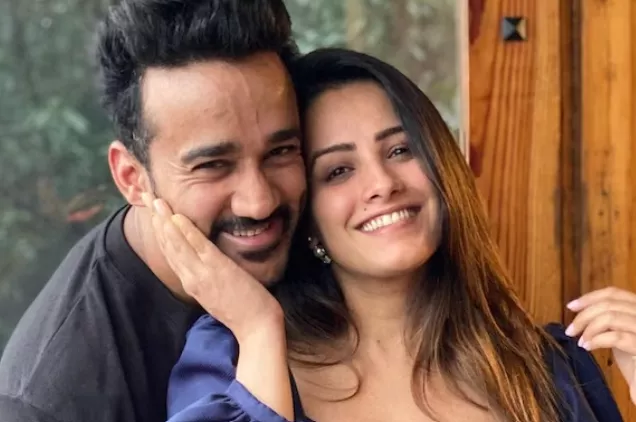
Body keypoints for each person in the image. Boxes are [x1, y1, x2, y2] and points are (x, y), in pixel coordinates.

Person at [157, 48, 630, 422]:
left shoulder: (549, 368)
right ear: (308, 216)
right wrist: (262, 333)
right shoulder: (233, 360)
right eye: (339, 170)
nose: (382, 184)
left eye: (401, 150)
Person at [0, 0, 306, 421]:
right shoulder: (52, 399)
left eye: (281, 151)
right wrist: (259, 326)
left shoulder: (323, 236)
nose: (260, 201)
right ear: (132, 178)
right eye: (212, 165)